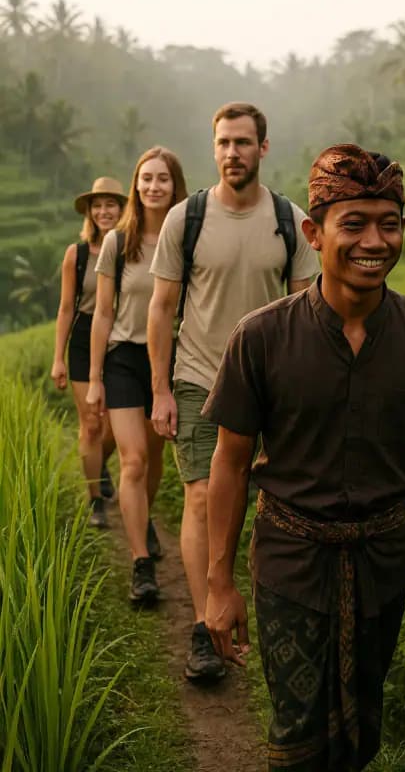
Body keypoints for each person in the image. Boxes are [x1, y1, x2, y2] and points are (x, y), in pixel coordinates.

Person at [202, 144, 405, 772]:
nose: (373, 241)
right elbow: (229, 462)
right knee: (300, 734)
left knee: (363, 728)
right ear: (314, 232)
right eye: (353, 223)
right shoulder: (262, 337)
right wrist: (219, 581)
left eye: (389, 223)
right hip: (291, 561)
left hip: (385, 560)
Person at [147, 102, 318, 679]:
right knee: (201, 497)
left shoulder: (291, 221)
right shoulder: (185, 219)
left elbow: (307, 312)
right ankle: (203, 625)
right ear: (212, 146)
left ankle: (262, 610)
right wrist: (160, 391)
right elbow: (163, 306)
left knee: (265, 506)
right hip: (198, 379)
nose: (232, 153)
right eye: (223, 143)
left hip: (270, 390)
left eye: (243, 143)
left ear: (263, 148)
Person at [87, 146, 187, 604]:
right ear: (135, 184)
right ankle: (140, 563)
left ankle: (142, 516)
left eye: (162, 179)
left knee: (154, 456)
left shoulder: (188, 235)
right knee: (133, 461)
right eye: (146, 178)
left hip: (170, 359)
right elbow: (103, 313)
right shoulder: (117, 241)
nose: (153, 187)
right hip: (124, 357)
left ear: (174, 185)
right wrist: (94, 378)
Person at [51, 177, 126, 528]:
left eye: (110, 204)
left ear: (122, 209)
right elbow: (66, 308)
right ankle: (94, 497)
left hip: (122, 337)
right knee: (92, 423)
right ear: (90, 212)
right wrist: (58, 358)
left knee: (117, 423)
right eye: (97, 206)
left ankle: (99, 465)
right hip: (83, 337)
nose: (103, 211)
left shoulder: (131, 249)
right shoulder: (76, 254)